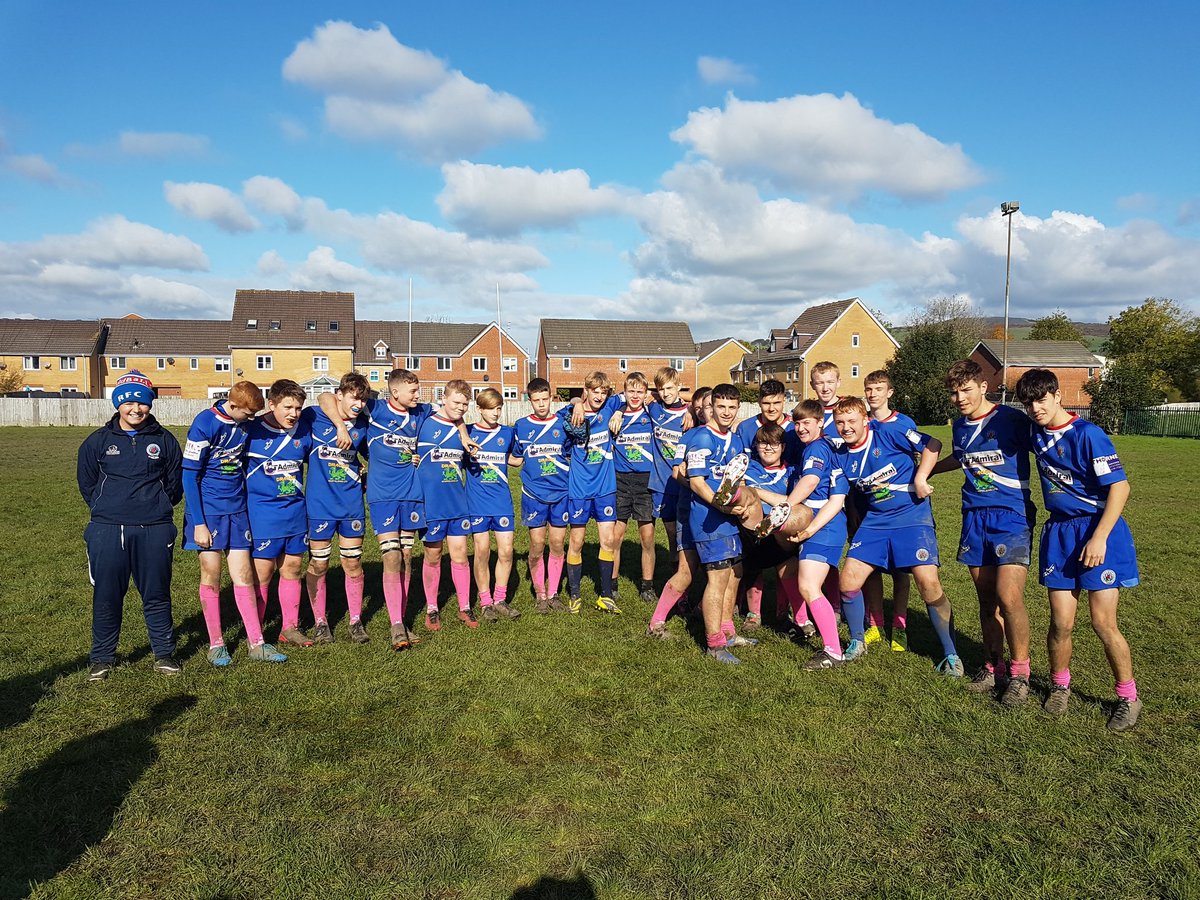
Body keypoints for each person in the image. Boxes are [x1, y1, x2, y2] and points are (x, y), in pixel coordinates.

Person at [1015, 368, 1142, 731]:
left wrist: (1099, 537)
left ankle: (1127, 697)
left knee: (1103, 623)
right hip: (1059, 533)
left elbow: (1120, 488)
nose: (1035, 408)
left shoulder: (1089, 435)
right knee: (1060, 622)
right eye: (1028, 403)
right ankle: (1059, 687)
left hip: (1099, 530)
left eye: (1041, 399)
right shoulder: (1035, 433)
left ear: (1057, 396)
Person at [833, 397, 964, 676]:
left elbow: (933, 445)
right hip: (876, 522)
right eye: (840, 422)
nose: (846, 427)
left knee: (928, 584)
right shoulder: (842, 456)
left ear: (865, 420)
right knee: (847, 582)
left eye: (851, 421)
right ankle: (858, 640)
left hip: (912, 517)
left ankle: (951, 654)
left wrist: (921, 478)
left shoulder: (890, 432)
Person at [931, 360, 1036, 705]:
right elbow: (961, 458)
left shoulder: (1012, 420)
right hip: (974, 518)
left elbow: (1047, 444)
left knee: (1009, 597)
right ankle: (995, 668)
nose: (959, 397)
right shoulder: (960, 426)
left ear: (982, 387)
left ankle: (1021, 675)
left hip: (1011, 517)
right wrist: (924, 471)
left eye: (965, 390)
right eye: (954, 391)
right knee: (986, 599)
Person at [77, 370, 184, 680]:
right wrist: (108, 508)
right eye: (129, 403)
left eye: (143, 403)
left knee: (157, 593)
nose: (136, 409)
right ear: (118, 405)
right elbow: (87, 483)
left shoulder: (164, 440)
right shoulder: (98, 441)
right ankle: (102, 657)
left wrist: (157, 506)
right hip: (108, 529)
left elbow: (175, 484)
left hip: (154, 528)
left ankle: (163, 654)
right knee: (107, 594)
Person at [183, 380, 286, 666]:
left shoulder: (245, 423)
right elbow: (188, 476)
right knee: (211, 576)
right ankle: (216, 644)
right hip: (208, 514)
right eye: (248, 414)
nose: (251, 420)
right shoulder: (205, 423)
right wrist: (199, 523)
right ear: (233, 405)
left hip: (237, 511)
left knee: (244, 576)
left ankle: (257, 643)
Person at [686, 383, 753, 663]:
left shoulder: (735, 439)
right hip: (708, 521)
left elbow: (737, 478)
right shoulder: (701, 438)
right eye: (721, 406)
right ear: (711, 407)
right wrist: (721, 504)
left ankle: (728, 632)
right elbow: (696, 482)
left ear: (738, 408)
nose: (726, 412)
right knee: (717, 579)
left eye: (732, 407)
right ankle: (714, 645)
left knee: (733, 574)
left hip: (730, 520)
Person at [303, 372, 371, 644]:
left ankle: (355, 621)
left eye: (363, 400)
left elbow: (373, 454)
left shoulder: (364, 425)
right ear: (340, 395)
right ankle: (321, 622)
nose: (359, 404)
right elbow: (322, 396)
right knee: (319, 563)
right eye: (354, 398)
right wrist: (340, 427)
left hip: (351, 506)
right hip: (319, 506)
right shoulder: (314, 417)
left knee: (352, 562)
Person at [245, 379, 313, 649]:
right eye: (287, 407)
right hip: (262, 513)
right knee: (262, 572)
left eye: (298, 407)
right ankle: (257, 631)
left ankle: (290, 627)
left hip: (295, 512)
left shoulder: (303, 431)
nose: (293, 413)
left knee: (293, 569)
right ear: (271, 404)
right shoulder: (251, 431)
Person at [785, 401, 851, 668]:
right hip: (826, 521)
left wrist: (784, 508)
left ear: (820, 422)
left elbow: (811, 481)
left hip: (825, 524)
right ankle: (827, 640)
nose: (800, 428)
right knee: (807, 584)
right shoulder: (825, 446)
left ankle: (833, 651)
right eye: (797, 423)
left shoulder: (816, 448)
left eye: (806, 423)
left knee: (809, 586)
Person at [646, 387, 711, 639]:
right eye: (703, 406)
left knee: (721, 571)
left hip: (719, 515)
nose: (706, 410)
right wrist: (701, 486)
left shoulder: (733, 437)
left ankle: (718, 622)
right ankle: (657, 621)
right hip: (691, 509)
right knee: (687, 568)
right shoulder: (689, 435)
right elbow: (678, 472)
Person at [416, 379, 477, 630]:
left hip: (456, 502)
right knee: (433, 554)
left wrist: (463, 431)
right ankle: (432, 607)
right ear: (443, 398)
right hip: (431, 503)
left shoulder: (465, 430)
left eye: (465, 404)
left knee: (460, 554)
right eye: (456, 402)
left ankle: (465, 606)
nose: (461, 408)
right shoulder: (423, 422)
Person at [561, 371, 623, 614]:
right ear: (585, 390)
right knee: (577, 541)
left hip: (605, 488)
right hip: (579, 488)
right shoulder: (571, 414)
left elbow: (633, 397)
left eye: (603, 392)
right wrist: (575, 402)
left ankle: (605, 596)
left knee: (608, 540)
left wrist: (618, 411)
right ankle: (574, 594)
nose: (599, 396)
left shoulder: (610, 406)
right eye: (594, 391)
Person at [861, 370, 914, 651]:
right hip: (867, 506)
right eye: (869, 389)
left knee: (900, 570)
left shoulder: (903, 423)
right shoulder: (861, 422)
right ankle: (875, 624)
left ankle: (901, 625)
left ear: (890, 392)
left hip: (902, 509)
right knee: (871, 567)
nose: (873, 394)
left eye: (879, 388)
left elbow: (920, 455)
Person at [509, 378, 570, 614]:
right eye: (536, 400)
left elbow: (571, 451)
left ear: (551, 397)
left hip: (561, 493)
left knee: (556, 544)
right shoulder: (521, 426)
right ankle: (540, 595)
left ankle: (553, 593)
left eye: (545, 399)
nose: (542, 404)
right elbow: (515, 457)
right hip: (533, 494)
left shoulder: (563, 424)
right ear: (529, 400)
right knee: (536, 545)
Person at [467, 388, 520, 622]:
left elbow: (515, 459)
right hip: (476, 502)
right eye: (491, 408)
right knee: (482, 551)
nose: (496, 413)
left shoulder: (507, 433)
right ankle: (485, 601)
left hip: (502, 502)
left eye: (499, 408)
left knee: (507, 551)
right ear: (479, 409)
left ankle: (500, 599)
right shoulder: (466, 432)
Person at [609, 372, 657, 602]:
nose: (635, 396)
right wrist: (618, 409)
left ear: (646, 393)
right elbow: (580, 401)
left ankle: (647, 585)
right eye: (631, 391)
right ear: (624, 392)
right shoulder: (614, 413)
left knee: (647, 537)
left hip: (645, 481)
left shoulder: (652, 414)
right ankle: (612, 583)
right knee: (615, 536)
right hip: (620, 480)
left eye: (640, 391)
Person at [646, 366, 691, 581]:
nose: (666, 393)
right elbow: (630, 394)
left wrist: (690, 408)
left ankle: (685, 577)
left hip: (684, 484)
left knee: (685, 534)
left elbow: (706, 398)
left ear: (679, 387)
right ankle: (676, 576)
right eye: (661, 389)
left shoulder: (690, 415)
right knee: (672, 534)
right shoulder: (654, 408)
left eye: (670, 388)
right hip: (661, 484)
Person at [736, 379, 801, 466]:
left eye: (776, 403)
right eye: (766, 403)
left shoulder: (795, 429)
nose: (771, 409)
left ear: (784, 401)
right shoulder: (745, 428)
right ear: (759, 402)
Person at [809, 361, 844, 449]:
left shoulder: (850, 409)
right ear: (812, 385)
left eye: (830, 382)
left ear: (838, 382)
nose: (825, 389)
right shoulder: (807, 411)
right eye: (820, 383)